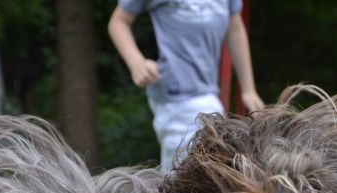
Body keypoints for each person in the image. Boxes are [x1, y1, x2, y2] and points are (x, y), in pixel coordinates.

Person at [108, 0, 264, 170]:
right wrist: (136, 63)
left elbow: (235, 28)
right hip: (177, 96)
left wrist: (248, 89)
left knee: (193, 177)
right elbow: (118, 22)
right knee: (187, 177)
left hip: (209, 94)